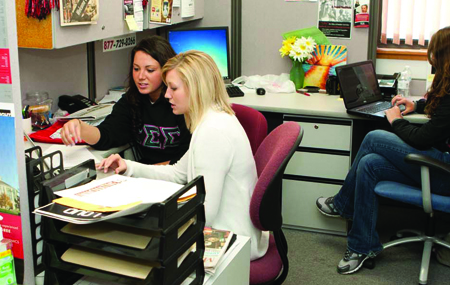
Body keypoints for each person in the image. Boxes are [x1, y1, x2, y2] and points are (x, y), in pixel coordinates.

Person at [97, 50, 269, 260]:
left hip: (231, 239)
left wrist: (149, 217)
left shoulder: (213, 132)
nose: (167, 94)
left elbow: (204, 213)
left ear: (196, 89)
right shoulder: (213, 118)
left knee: (128, 246)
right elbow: (178, 173)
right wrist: (129, 167)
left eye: (173, 88)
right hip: (229, 226)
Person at [316, 26, 450, 275]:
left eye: (434, 55)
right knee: (369, 164)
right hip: (440, 162)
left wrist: (396, 119)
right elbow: (440, 112)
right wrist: (416, 104)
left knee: (375, 137)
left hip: (444, 174)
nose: (430, 60)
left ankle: (344, 204)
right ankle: (362, 246)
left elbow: (422, 139)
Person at [61, 36, 190, 165]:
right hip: (147, 173)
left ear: (166, 70)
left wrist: (142, 172)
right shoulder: (132, 100)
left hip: (176, 175)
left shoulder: (180, 102)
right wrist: (80, 127)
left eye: (150, 70)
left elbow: (187, 161)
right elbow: (107, 136)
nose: (140, 76)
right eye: (136, 69)